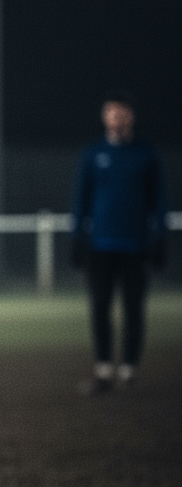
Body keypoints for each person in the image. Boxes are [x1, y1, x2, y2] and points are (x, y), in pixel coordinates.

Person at [71, 93, 170, 394]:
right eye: (112, 114)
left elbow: (159, 199)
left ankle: (129, 370)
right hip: (100, 245)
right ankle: (103, 369)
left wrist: (159, 235)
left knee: (133, 309)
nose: (117, 119)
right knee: (100, 307)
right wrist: (77, 235)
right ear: (105, 118)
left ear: (131, 117)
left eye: (122, 114)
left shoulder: (146, 154)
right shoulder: (93, 154)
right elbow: (81, 198)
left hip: (135, 245)